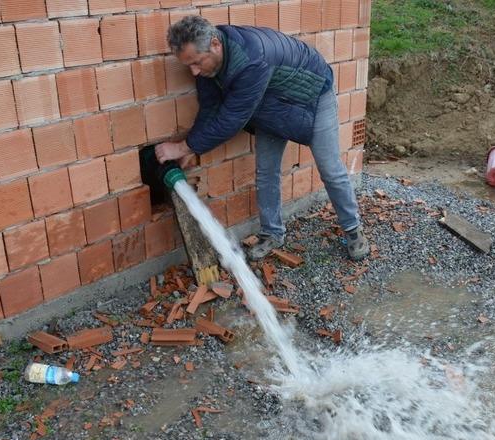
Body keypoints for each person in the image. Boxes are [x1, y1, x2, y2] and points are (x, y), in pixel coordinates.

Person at [155, 15, 369, 261]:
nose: (193, 70)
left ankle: (353, 230)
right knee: (266, 171)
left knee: (330, 169)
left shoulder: (252, 59)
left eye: (196, 62)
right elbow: (210, 108)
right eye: (188, 65)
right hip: (271, 103)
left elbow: (230, 119)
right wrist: (191, 148)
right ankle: (272, 233)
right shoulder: (209, 64)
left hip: (312, 95)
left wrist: (182, 147)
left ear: (215, 44)